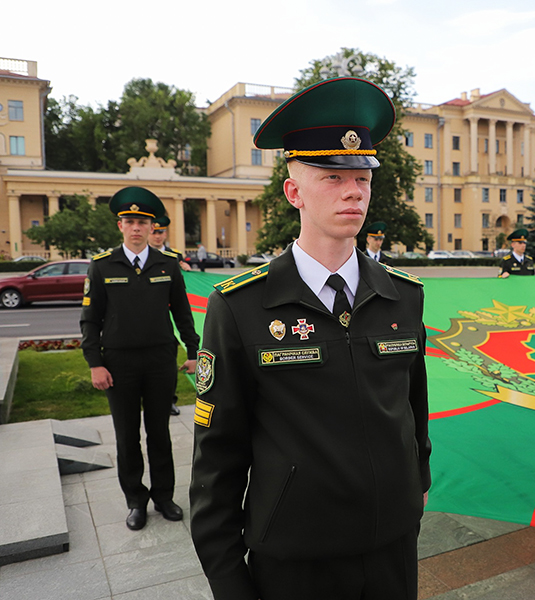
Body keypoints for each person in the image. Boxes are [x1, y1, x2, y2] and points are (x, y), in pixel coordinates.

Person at [190, 77, 431, 600]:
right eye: (331, 176)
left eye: (363, 177)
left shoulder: (403, 298)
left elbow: (414, 417)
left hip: (392, 551)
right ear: (294, 191)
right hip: (297, 561)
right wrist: (232, 585)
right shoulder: (241, 307)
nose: (353, 190)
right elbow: (217, 464)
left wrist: (410, 497)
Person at [80, 186, 199, 531]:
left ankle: (164, 496)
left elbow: (182, 311)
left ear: (152, 227)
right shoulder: (102, 267)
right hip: (118, 363)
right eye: (130, 221)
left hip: (160, 360)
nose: (136, 228)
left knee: (159, 433)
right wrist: (94, 362)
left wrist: (192, 352)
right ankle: (136, 501)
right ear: (120, 226)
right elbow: (90, 319)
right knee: (126, 436)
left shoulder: (168, 265)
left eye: (142, 222)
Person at [149, 215, 191, 417]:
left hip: (171, 317)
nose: (158, 236)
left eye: (161, 232)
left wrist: (188, 271)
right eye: (155, 232)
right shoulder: (142, 256)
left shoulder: (175, 256)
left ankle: (169, 401)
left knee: (168, 362)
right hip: (151, 316)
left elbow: (183, 288)